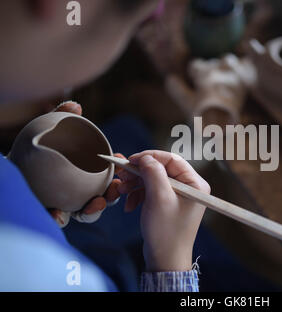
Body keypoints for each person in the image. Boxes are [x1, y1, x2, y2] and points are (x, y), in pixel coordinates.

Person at [0, 0, 210, 291]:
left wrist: (19, 176)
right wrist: (171, 266)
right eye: (135, 24)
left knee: (129, 133)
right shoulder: (43, 276)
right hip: (70, 257)